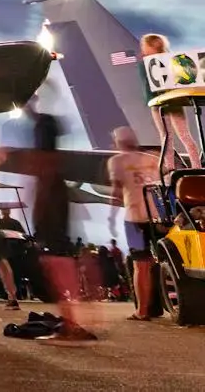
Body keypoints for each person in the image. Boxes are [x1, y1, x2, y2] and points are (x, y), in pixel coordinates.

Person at [22, 102, 98, 343]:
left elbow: (41, 196)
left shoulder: (45, 164)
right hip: (58, 225)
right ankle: (71, 323)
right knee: (60, 272)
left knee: (57, 273)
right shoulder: (57, 161)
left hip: (51, 227)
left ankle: (70, 325)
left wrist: (38, 226)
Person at [108, 125, 161, 321]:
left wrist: (111, 217)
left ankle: (143, 311)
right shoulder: (153, 158)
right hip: (158, 217)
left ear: (117, 143)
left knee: (141, 266)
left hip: (135, 218)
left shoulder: (116, 162)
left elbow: (116, 193)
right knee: (165, 262)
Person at [142, 34, 203, 167]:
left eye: (145, 45)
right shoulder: (167, 61)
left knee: (174, 137)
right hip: (165, 103)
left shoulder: (159, 63)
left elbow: (148, 89)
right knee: (172, 137)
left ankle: (190, 168)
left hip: (166, 103)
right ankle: (179, 168)